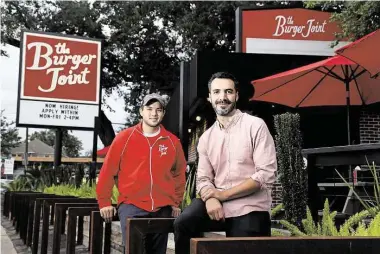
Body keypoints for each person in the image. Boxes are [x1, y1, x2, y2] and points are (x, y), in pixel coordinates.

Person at [173, 72, 277, 254]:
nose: (223, 97)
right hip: (217, 204)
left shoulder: (255, 125)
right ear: (210, 97)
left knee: (240, 245)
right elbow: (204, 178)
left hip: (249, 206)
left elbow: (266, 174)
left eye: (228, 92)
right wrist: (212, 198)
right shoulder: (206, 138)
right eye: (217, 92)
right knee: (183, 222)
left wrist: (222, 195)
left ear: (236, 95)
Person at [96, 93, 187, 254]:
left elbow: (179, 173)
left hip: (163, 208)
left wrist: (176, 201)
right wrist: (104, 202)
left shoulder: (173, 142)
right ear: (141, 111)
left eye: (159, 110)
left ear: (163, 113)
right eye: (149, 109)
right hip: (132, 206)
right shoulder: (124, 138)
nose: (154, 113)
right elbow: (107, 171)